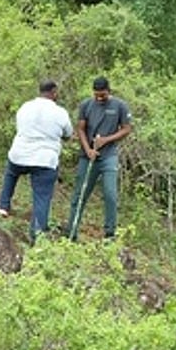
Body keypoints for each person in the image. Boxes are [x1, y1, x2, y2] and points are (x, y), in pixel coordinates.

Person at [0, 80, 74, 243]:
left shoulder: (25, 107)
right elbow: (68, 134)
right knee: (42, 196)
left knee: (11, 173)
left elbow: (20, 128)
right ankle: (37, 232)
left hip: (20, 153)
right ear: (54, 92)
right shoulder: (60, 113)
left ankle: (3, 205)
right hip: (45, 159)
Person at [66, 76, 133, 240]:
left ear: (109, 91)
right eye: (96, 95)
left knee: (110, 194)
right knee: (80, 193)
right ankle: (71, 231)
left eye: (102, 95)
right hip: (88, 156)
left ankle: (110, 233)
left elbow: (126, 129)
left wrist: (106, 140)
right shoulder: (86, 105)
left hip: (109, 156)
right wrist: (88, 149)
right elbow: (80, 129)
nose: (99, 98)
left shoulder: (120, 106)